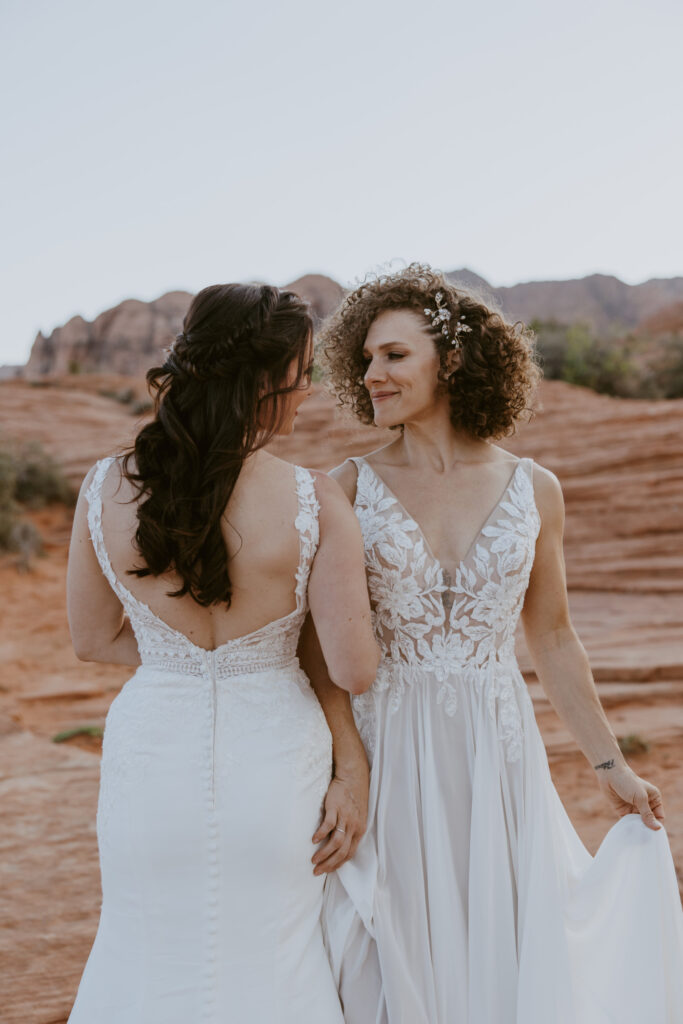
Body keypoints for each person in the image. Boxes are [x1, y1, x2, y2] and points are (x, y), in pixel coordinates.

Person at [313, 264, 683, 1023]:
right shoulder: (345, 486)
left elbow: (550, 635)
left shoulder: (533, 488)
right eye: (366, 359)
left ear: (450, 360)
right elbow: (316, 651)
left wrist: (609, 764)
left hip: (497, 745)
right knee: (383, 951)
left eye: (393, 356)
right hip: (389, 744)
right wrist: (347, 767)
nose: (371, 374)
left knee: (505, 942)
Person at [65, 282, 379, 1024]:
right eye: (302, 376)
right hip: (274, 763)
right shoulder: (315, 500)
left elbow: (92, 638)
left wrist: (181, 660)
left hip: (152, 755)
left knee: (142, 948)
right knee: (275, 959)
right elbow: (352, 667)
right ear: (266, 383)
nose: (309, 394)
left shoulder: (103, 487)